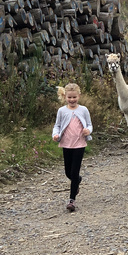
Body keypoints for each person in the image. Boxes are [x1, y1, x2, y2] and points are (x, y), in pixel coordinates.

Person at [52, 82, 93, 212]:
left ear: (79, 96)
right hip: (66, 143)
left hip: (79, 144)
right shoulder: (62, 111)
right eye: (69, 97)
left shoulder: (83, 110)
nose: (72, 100)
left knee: (74, 171)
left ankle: (72, 200)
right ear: (65, 97)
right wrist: (56, 134)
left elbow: (90, 125)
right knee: (68, 172)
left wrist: (88, 130)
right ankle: (78, 180)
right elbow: (57, 125)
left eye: (74, 97)